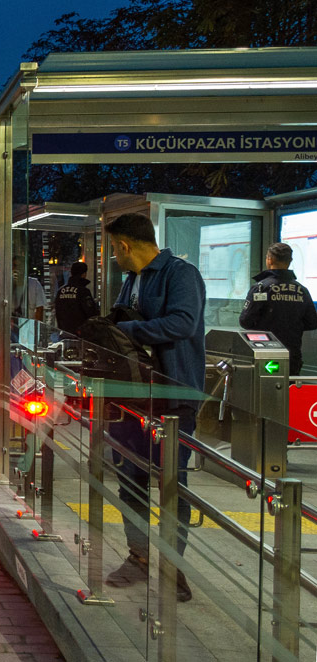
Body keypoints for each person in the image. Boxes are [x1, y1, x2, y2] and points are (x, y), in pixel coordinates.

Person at [102, 213, 204, 603]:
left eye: (113, 248)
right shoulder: (132, 281)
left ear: (125, 245)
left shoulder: (181, 275)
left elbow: (182, 323)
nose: (113, 256)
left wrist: (123, 330)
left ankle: (174, 569)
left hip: (173, 398)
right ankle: (139, 556)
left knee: (171, 484)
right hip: (132, 398)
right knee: (130, 478)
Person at [240, 242, 317, 374]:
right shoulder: (301, 290)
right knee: (289, 391)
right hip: (292, 355)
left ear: (269, 259)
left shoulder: (261, 288)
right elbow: (312, 322)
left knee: (263, 391)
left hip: (264, 354)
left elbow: (245, 321)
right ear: (290, 261)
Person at [54, 261, 100, 337]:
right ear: (84, 274)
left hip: (64, 333)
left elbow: (58, 312)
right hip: (81, 335)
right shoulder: (83, 291)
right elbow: (91, 313)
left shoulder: (61, 291)